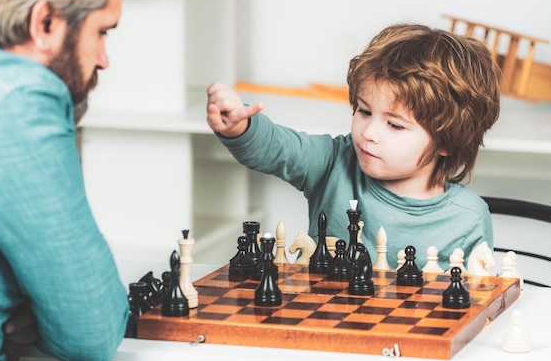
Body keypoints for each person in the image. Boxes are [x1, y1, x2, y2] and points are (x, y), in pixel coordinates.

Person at [0, 0, 138, 361]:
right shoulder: (15, 100)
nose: (104, 58)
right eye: (103, 32)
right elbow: (92, 334)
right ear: (45, 22)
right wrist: (42, 308)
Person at [206, 23, 501, 271]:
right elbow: (279, 148)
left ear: (447, 142)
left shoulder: (468, 218)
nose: (369, 133)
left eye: (395, 125)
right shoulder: (334, 163)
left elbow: (476, 296)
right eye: (364, 111)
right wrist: (239, 128)